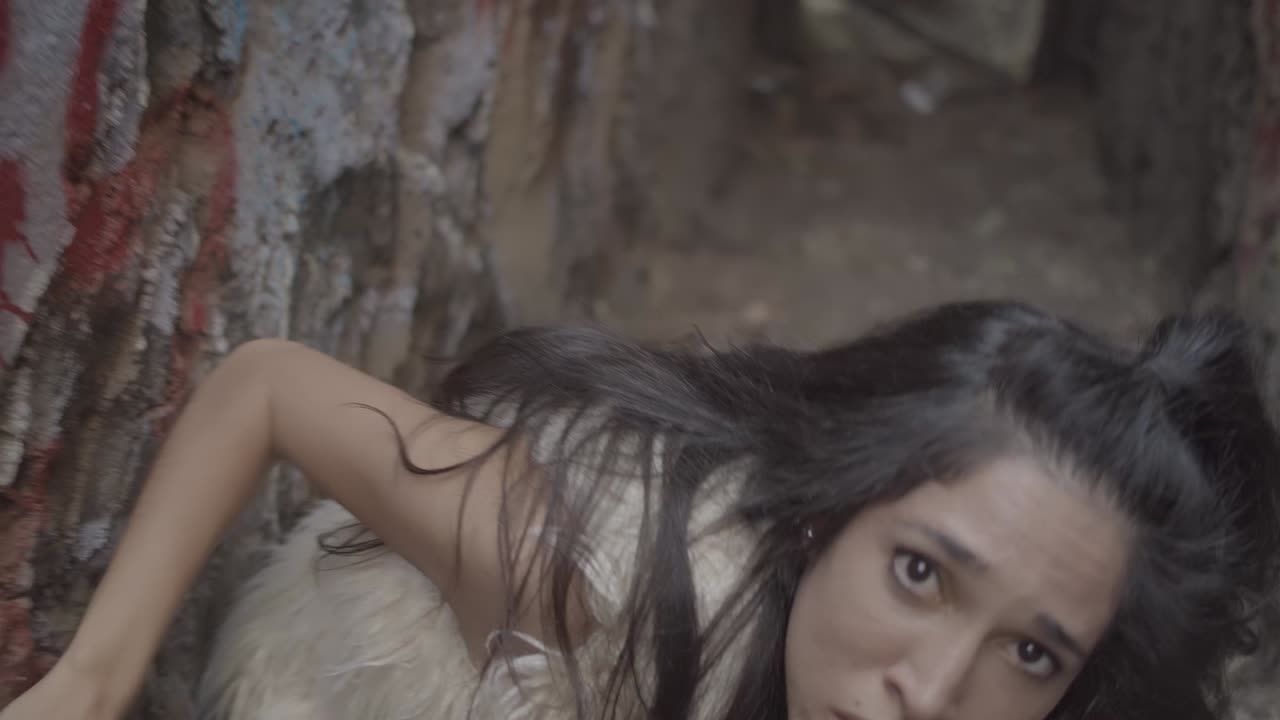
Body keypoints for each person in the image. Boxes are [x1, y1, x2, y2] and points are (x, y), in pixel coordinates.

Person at [2, 300, 1278, 720]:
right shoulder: (594, 562)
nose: (934, 690)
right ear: (832, 506)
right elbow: (268, 387)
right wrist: (91, 683)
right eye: (920, 574)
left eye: (1031, 651)